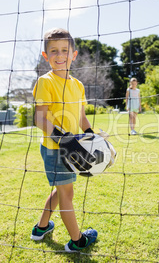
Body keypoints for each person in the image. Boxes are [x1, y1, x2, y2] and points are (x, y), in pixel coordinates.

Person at [31, 28, 98, 251]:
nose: (59, 55)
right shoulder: (45, 81)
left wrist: (91, 136)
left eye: (64, 50)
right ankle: (77, 241)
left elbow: (80, 116)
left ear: (74, 54)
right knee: (67, 193)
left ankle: (41, 228)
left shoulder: (78, 85)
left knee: (60, 191)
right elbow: (39, 118)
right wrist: (64, 139)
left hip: (71, 148)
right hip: (54, 147)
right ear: (45, 55)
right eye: (54, 51)